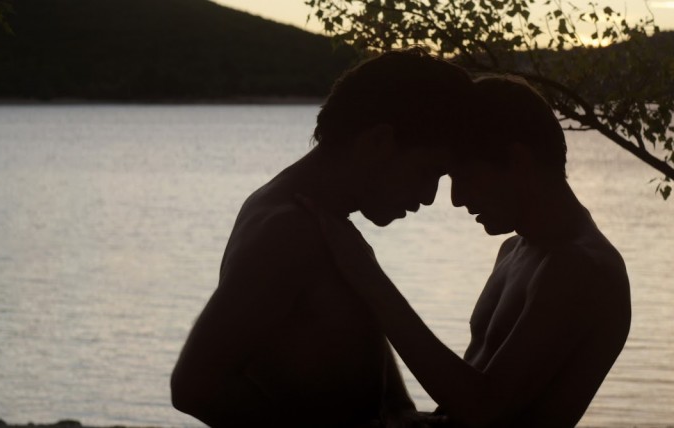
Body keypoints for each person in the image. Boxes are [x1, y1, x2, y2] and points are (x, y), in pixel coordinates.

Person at [170, 49, 478, 427]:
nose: (430, 196)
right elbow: (194, 386)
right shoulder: (289, 229)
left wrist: (403, 416)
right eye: (427, 171)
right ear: (379, 142)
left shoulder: (325, 227)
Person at [302, 75, 632, 427]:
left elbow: (484, 407)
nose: (457, 199)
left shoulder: (584, 269)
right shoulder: (514, 251)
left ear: (517, 161)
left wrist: (368, 278)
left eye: (464, 177)